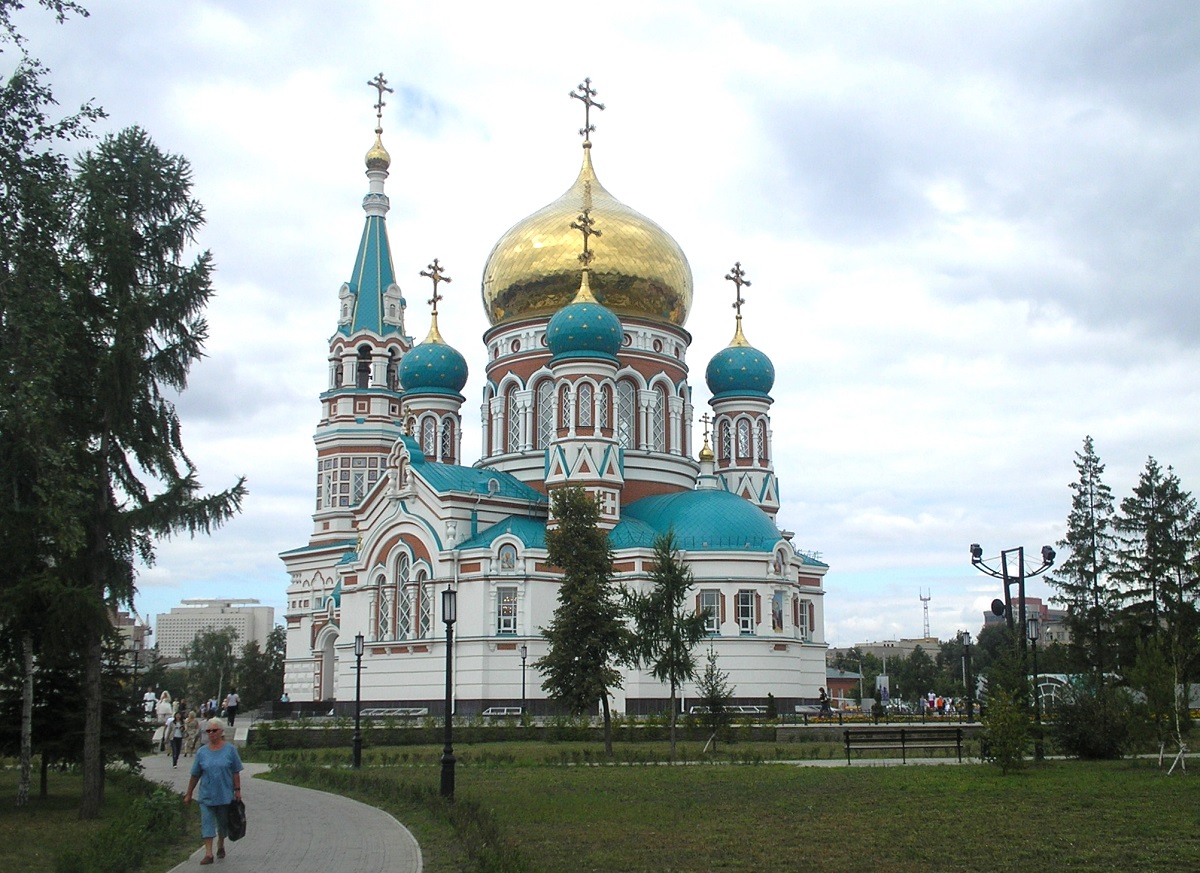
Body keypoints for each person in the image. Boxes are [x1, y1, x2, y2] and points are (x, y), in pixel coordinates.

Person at [184, 718, 244, 866]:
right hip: (206, 794)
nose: (211, 734)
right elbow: (195, 774)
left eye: (214, 731)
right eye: (208, 731)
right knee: (207, 822)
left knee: (222, 823)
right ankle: (208, 853)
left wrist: (237, 790)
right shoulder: (202, 752)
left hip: (224, 795)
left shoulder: (230, 750)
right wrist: (189, 793)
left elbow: (235, 771)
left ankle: (221, 844)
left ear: (221, 732)